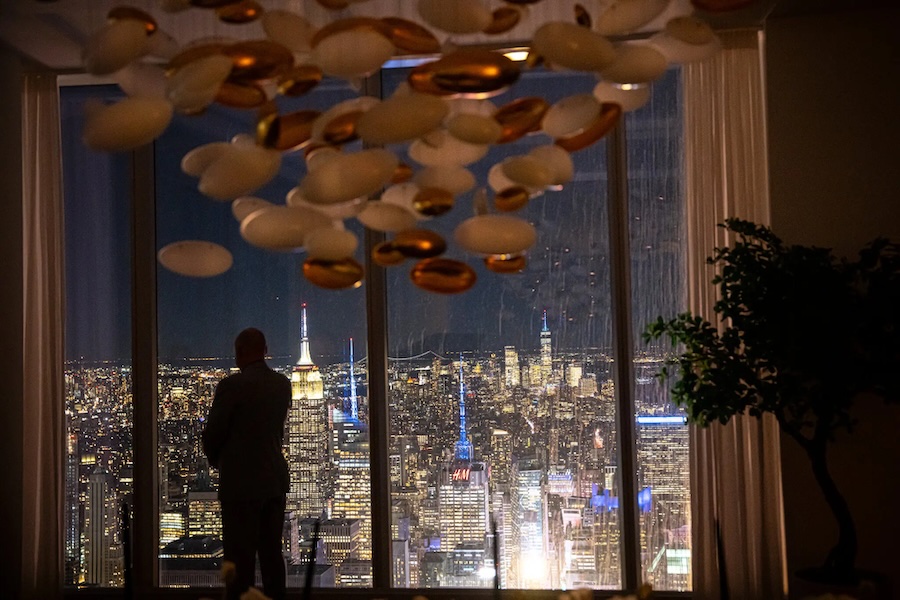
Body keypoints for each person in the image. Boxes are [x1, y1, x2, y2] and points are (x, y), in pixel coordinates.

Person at [202, 328, 291, 600]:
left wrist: (221, 463)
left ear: (239, 353)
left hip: (240, 487)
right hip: (274, 483)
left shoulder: (231, 386)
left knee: (241, 561)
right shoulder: (282, 384)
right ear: (266, 350)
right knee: (272, 555)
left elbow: (213, 435)